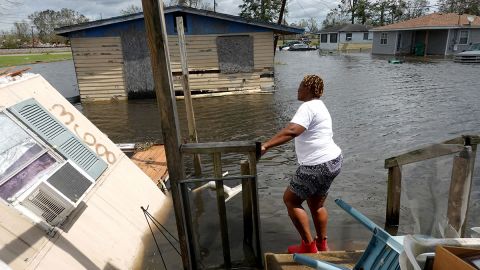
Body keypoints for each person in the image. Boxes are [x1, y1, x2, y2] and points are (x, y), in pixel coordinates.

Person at [261, 74, 342, 254]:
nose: (297, 89)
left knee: (291, 200)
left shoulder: (308, 106)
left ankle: (308, 245)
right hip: (333, 161)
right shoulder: (320, 106)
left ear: (308, 88)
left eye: (300, 86)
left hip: (317, 165)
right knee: (316, 205)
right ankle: (322, 244)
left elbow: (292, 130)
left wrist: (266, 145)